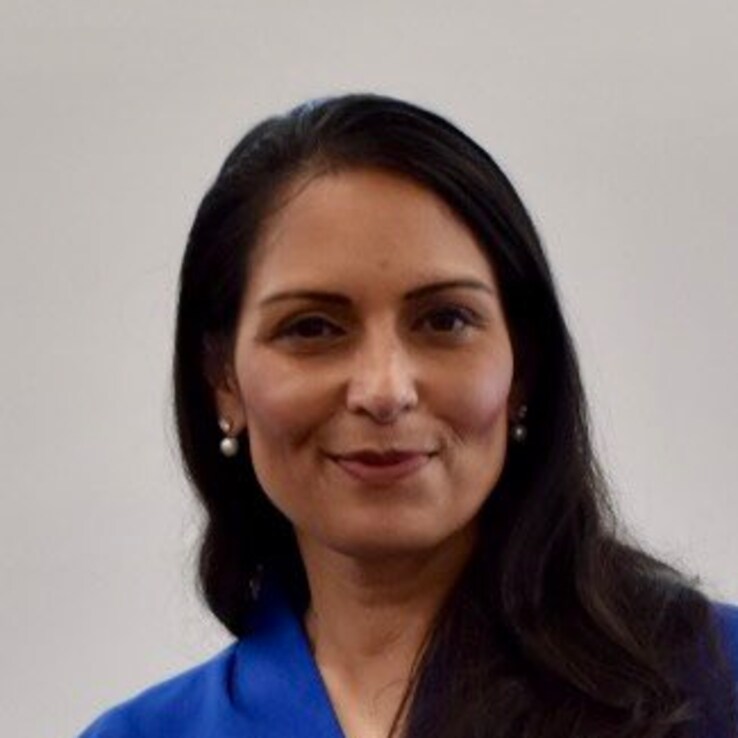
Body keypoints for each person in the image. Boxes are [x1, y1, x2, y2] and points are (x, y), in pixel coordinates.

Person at [78, 93, 738, 738]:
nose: (384, 390)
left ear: (522, 368)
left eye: (444, 320)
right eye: (312, 328)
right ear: (224, 382)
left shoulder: (715, 686)